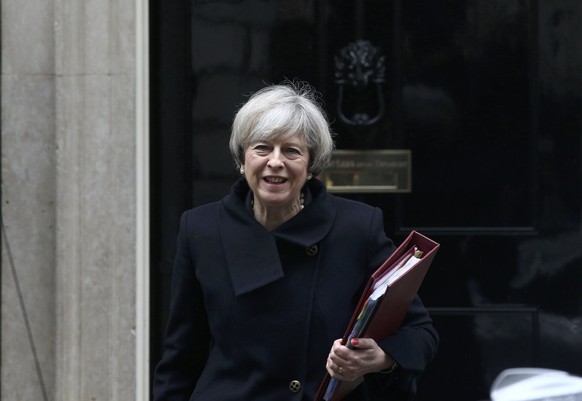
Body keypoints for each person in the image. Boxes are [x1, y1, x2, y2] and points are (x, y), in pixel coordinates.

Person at [153, 81, 438, 401]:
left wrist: (378, 358)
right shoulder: (201, 230)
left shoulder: (356, 227)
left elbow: (419, 333)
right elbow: (181, 357)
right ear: (242, 158)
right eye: (262, 148)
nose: (276, 161)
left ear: (311, 163)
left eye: (291, 150)